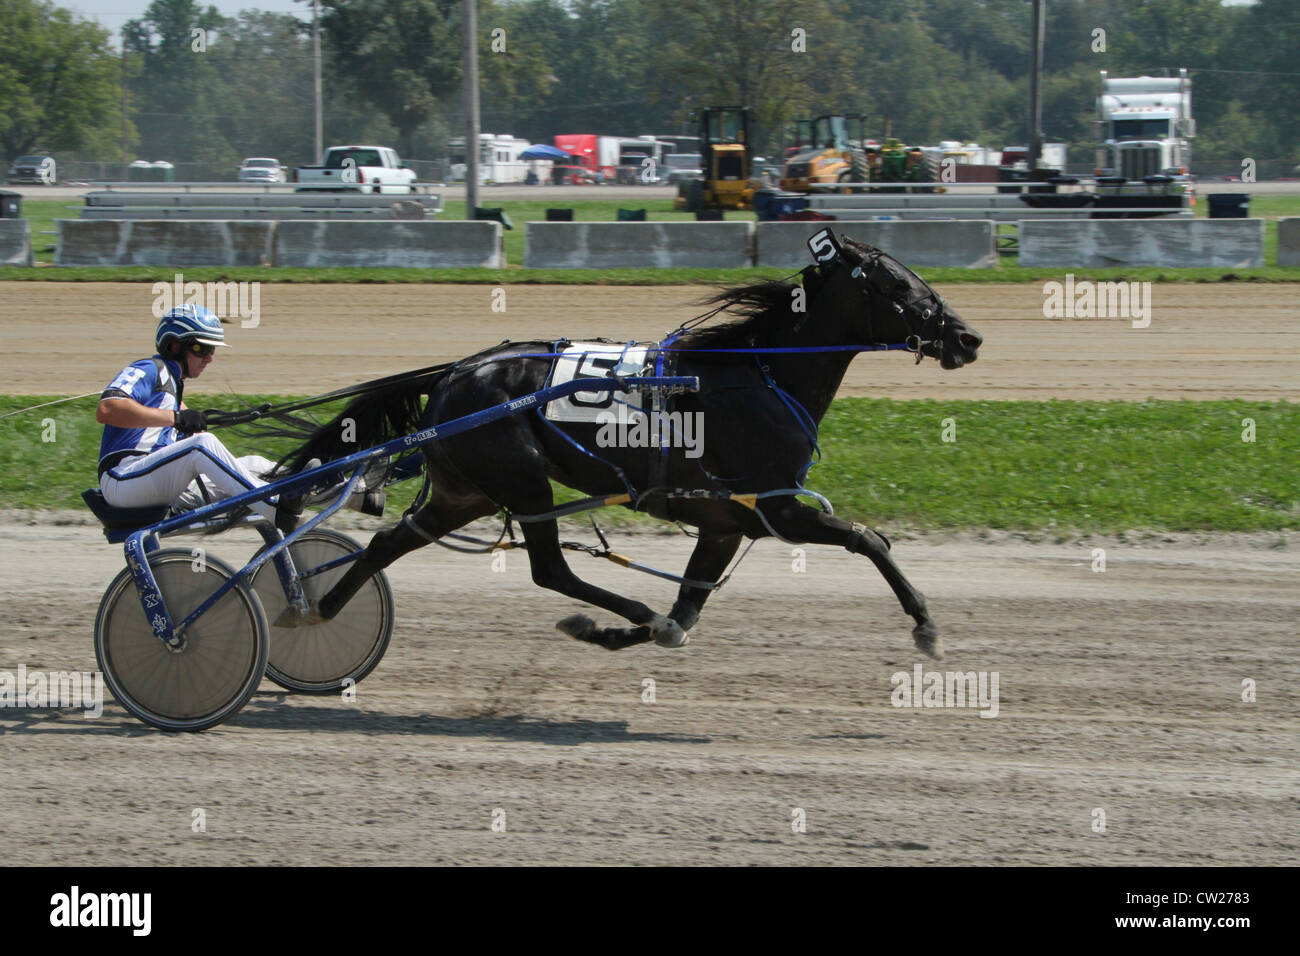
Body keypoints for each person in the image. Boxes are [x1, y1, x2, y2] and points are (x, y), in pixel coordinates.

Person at [96, 305, 376, 532]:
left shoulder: (173, 389)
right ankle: (275, 508)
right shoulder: (149, 368)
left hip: (156, 483)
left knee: (254, 464)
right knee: (201, 445)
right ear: (173, 347)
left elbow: (177, 434)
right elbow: (107, 409)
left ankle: (354, 492)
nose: (209, 358)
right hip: (122, 479)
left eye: (212, 350)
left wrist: (184, 420)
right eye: (201, 349)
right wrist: (176, 418)